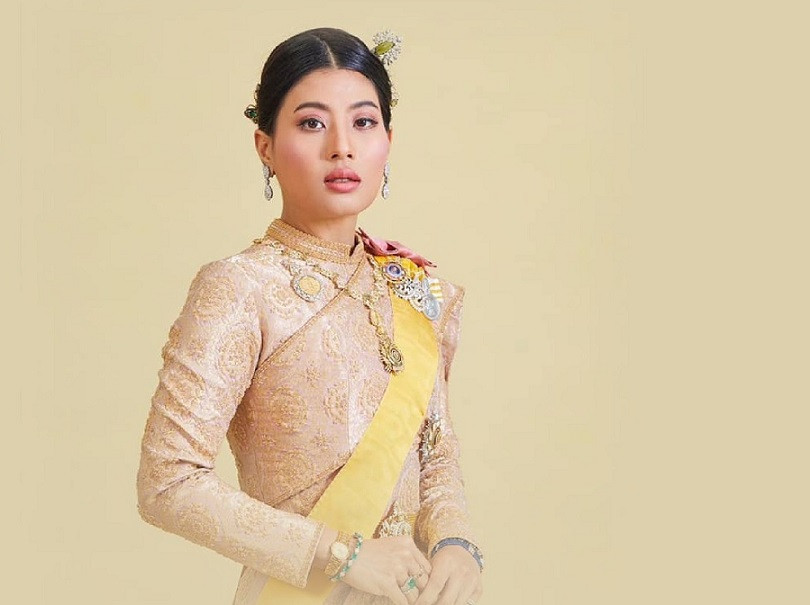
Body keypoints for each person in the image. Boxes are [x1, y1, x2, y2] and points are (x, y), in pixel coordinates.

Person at [136, 27, 484, 605]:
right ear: (265, 147)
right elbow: (168, 481)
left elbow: (436, 453)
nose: (342, 147)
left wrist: (456, 543)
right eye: (312, 123)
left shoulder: (414, 290)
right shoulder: (240, 288)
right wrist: (341, 553)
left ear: (388, 141)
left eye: (364, 122)